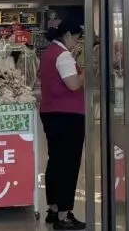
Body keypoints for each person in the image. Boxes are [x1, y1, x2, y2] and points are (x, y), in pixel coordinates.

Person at [39, 20, 86, 230]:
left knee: (56, 162)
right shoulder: (63, 56)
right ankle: (64, 215)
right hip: (68, 116)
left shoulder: (49, 53)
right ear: (67, 35)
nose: (77, 42)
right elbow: (73, 84)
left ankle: (54, 209)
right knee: (68, 164)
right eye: (76, 38)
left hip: (50, 113)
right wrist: (84, 73)